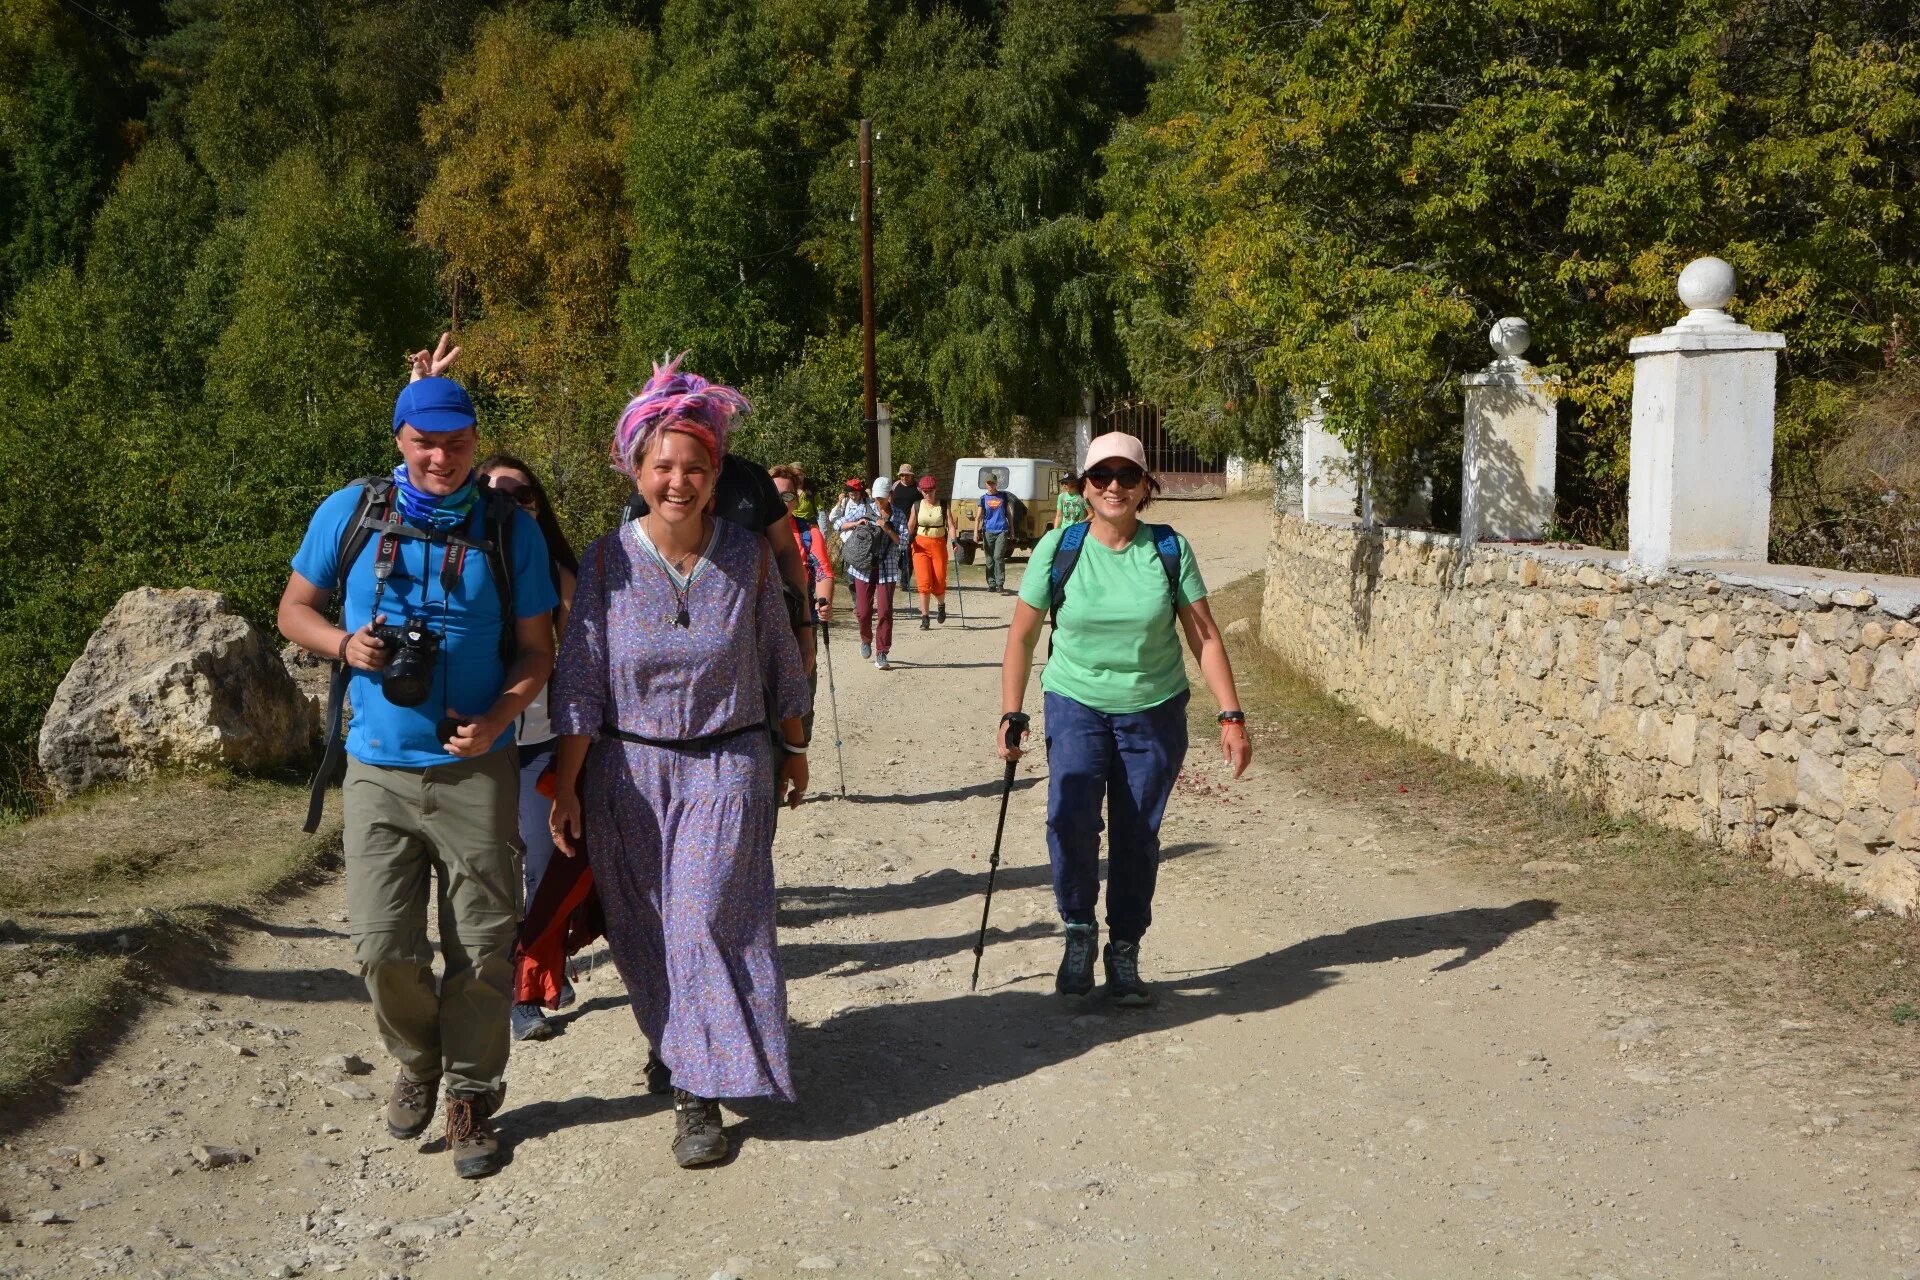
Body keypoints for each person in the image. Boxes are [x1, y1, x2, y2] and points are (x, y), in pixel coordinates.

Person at [277, 372, 558, 1180]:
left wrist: (500, 720)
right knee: (380, 945)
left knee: (481, 944)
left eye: (458, 442)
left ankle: (472, 1093)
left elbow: (538, 651)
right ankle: (419, 1059)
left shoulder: (511, 531)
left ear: (476, 440)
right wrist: (343, 646)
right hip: (378, 768)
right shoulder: (353, 510)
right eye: (426, 441)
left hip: (477, 771)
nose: (443, 456)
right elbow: (294, 608)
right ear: (399, 439)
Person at [549, 359, 809, 1170]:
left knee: (700, 918)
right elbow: (583, 674)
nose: (679, 481)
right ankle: (679, 1041)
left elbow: (777, 654)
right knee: (646, 930)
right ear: (637, 469)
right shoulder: (604, 562)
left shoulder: (748, 557)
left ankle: (698, 1099)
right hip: (628, 772)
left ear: (716, 472)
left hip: (727, 760)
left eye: (695, 467)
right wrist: (566, 781)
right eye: (663, 465)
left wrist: (794, 745)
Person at [996, 432, 1251, 1007]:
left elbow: (1205, 636)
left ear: (1145, 487)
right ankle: (1079, 931)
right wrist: (1012, 711)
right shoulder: (1059, 547)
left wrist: (1230, 715)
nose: (1114, 486)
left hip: (1153, 710)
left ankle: (1125, 950)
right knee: (1070, 817)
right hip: (1076, 700)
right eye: (1101, 476)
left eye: (1127, 476)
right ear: (1084, 486)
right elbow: (1021, 636)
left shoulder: (1169, 549)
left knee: (1137, 835)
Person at [475, 456, 581, 1045]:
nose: (512, 504)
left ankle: (531, 979)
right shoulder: (455, 562)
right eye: (497, 493)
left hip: (541, 741)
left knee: (546, 864)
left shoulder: (560, 575)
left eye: (525, 496)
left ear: (539, 507)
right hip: (471, 749)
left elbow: (586, 662)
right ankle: (524, 970)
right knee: (491, 874)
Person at [620, 441, 814, 675]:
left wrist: (803, 627)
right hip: (672, 642)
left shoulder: (752, 479)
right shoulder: (656, 488)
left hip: (752, 638)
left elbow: (786, 551)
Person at [771, 463, 835, 743]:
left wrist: (824, 600)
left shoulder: (808, 532)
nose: (779, 502)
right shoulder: (750, 533)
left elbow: (822, 570)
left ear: (795, 500)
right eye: (773, 495)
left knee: (802, 694)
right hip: (761, 627)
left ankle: (797, 750)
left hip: (800, 623)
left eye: (786, 496)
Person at [837, 476, 901, 669]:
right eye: (876, 497)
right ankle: (865, 639)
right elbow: (839, 523)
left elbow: (903, 542)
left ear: (890, 495)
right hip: (862, 566)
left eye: (882, 497)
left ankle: (882, 652)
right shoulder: (863, 509)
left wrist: (887, 528)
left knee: (885, 611)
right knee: (863, 611)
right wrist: (857, 524)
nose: (878, 501)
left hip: (886, 566)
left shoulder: (898, 515)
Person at [906, 474, 951, 630]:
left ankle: (941, 605)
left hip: (938, 544)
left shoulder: (943, 504)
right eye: (925, 491)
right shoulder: (917, 505)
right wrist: (906, 539)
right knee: (924, 582)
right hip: (920, 545)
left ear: (935, 490)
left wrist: (955, 541)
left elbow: (950, 525)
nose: (928, 494)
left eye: (930, 491)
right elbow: (910, 525)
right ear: (921, 491)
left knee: (939, 579)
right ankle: (925, 617)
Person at [975, 472, 1014, 594]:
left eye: (993, 483)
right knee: (989, 559)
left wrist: (1012, 531)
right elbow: (978, 517)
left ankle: (1000, 583)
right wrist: (976, 532)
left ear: (996, 484)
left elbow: (1009, 515)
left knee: (998, 556)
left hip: (1001, 530)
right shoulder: (983, 499)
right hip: (988, 531)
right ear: (986, 484)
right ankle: (991, 584)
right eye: (989, 483)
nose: (991, 485)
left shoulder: (1003, 497)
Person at [889, 463, 919, 611]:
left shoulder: (917, 489)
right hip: (895, 524)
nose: (904, 477)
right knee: (897, 554)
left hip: (911, 526)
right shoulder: (895, 487)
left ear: (911, 475)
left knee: (908, 554)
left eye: (906, 475)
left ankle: (905, 582)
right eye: (902, 475)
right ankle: (899, 575)